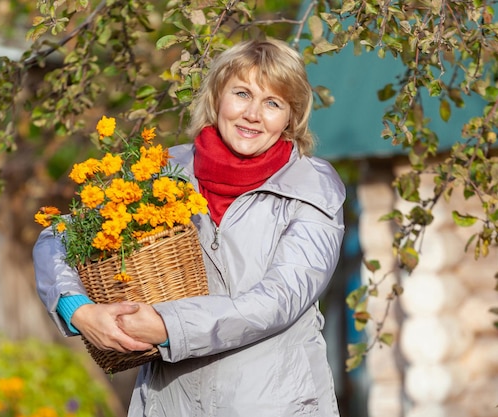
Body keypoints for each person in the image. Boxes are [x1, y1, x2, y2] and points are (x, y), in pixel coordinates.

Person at [33, 38, 345, 416]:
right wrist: (78, 310)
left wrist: (166, 326)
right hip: (170, 404)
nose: (253, 114)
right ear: (216, 97)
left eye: (273, 103)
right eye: (242, 94)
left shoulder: (312, 188)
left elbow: (278, 300)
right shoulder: (162, 172)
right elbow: (56, 236)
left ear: (291, 118)